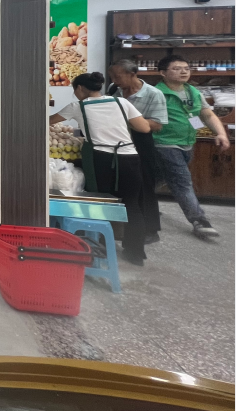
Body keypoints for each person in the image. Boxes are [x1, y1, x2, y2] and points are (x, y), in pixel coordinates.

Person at [51, 71, 151, 265]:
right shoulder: (121, 102)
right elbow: (144, 127)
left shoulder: (78, 106)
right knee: (132, 205)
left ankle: (99, 248)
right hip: (129, 158)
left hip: (101, 159)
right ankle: (136, 253)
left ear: (80, 88)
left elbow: (49, 121)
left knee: (99, 203)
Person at [153, 55, 230, 238]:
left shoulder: (192, 92)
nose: (183, 72)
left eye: (186, 68)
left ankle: (141, 203)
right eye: (177, 68)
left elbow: (207, 115)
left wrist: (220, 133)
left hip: (187, 142)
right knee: (182, 182)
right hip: (164, 143)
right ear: (163, 73)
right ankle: (199, 221)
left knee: (158, 178)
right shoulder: (156, 93)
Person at [108, 59, 168, 244]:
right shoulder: (114, 90)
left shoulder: (153, 94)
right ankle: (125, 226)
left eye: (118, 76)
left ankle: (151, 229)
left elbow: (157, 124)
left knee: (144, 186)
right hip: (117, 142)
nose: (114, 80)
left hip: (141, 143)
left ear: (132, 74)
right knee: (122, 185)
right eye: (112, 77)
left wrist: (130, 121)